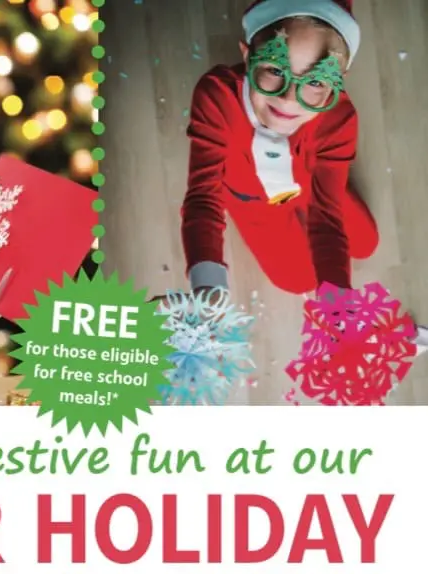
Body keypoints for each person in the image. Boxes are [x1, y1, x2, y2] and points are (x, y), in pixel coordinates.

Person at [179, 0, 428, 353]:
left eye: (315, 80)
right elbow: (203, 198)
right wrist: (207, 285)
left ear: (337, 83)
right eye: (275, 69)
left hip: (312, 179)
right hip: (252, 197)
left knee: (366, 241)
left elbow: (328, 223)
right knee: (296, 280)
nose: (288, 98)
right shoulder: (215, 96)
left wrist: (337, 312)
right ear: (247, 56)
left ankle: (332, 176)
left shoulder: (339, 117)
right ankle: (329, 179)